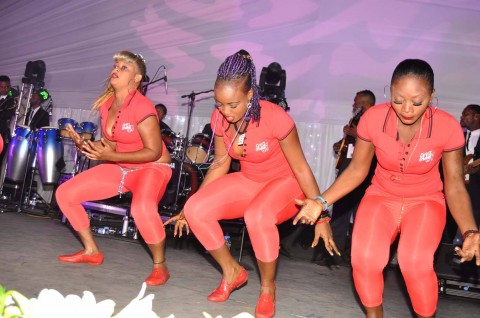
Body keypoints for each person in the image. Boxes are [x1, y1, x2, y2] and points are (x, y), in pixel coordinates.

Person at [295, 59, 480, 318]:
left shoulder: (447, 127)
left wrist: (470, 230)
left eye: (417, 102)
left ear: (432, 96)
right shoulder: (373, 119)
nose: (406, 109)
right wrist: (321, 201)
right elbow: (358, 170)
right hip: (381, 196)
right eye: (398, 99)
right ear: (389, 91)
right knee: (364, 261)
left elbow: (455, 184)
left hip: (426, 200)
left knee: (414, 264)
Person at [165, 50, 338, 318]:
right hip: (250, 180)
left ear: (250, 96)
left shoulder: (275, 117)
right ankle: (232, 272)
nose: (225, 111)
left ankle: (267, 289)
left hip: (286, 183)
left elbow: (301, 167)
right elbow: (221, 163)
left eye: (232, 105)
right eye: (219, 104)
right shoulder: (220, 119)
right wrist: (187, 205)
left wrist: (322, 214)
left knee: (257, 215)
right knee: (196, 208)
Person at [55, 51, 173, 286]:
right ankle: (91, 251)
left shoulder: (143, 106)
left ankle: (160, 266)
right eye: (116, 65)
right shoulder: (106, 104)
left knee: (141, 209)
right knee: (65, 194)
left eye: (124, 67)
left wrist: (110, 154)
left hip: (153, 167)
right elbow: (109, 145)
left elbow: (154, 151)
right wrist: (86, 145)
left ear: (137, 78)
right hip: (122, 166)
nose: (116, 69)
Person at [328, 90, 376, 266]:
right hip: (346, 174)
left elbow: (377, 144)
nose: (353, 106)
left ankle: (359, 259)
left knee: (362, 220)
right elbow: (351, 146)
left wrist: (356, 134)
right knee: (339, 215)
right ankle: (333, 256)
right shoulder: (355, 121)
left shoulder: (376, 120)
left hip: (363, 177)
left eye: (356, 102)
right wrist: (340, 145)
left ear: (365, 103)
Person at [0, 75, 16, 162]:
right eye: (1, 87)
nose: (4, 89)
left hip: (2, 133)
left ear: (9, 87)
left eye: (6, 87)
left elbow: (6, 115)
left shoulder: (11, 101)